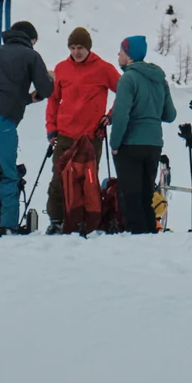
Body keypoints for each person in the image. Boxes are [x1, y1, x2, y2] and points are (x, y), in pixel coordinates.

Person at [0, 19, 53, 236]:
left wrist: (25, 99)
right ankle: (7, 225)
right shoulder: (30, 55)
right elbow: (46, 88)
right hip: (1, 118)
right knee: (8, 171)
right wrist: (45, 87)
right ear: (30, 38)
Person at [46, 26, 119, 234]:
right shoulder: (61, 68)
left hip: (91, 136)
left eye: (80, 48)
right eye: (73, 47)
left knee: (88, 180)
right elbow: (53, 100)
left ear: (88, 48)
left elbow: (123, 91)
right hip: (65, 134)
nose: (76, 52)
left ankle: (89, 219)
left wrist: (110, 116)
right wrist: (51, 129)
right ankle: (57, 220)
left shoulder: (103, 68)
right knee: (59, 179)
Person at [110, 35, 177, 234]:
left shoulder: (128, 79)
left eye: (121, 51)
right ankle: (150, 236)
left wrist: (115, 143)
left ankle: (137, 238)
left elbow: (121, 115)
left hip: (130, 144)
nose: (118, 55)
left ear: (129, 55)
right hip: (154, 144)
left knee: (131, 197)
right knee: (147, 195)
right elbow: (170, 114)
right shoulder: (159, 79)